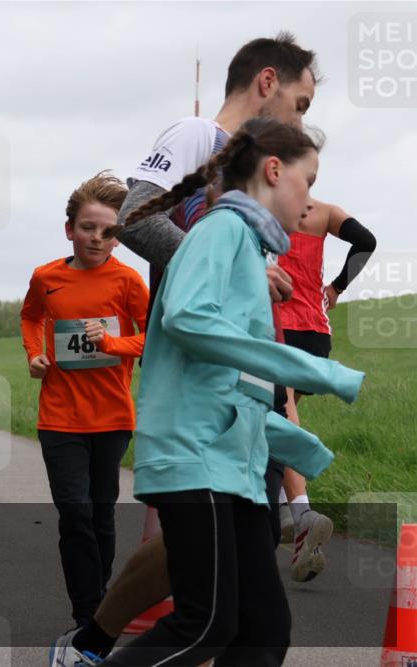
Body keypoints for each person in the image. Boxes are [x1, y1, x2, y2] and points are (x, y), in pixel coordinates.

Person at [61, 33, 326, 663]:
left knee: (245, 603)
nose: (300, 120)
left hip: (237, 395)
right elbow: (134, 216)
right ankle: (91, 642)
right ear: (267, 82)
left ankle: (94, 642)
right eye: (301, 102)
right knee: (214, 611)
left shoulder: (255, 174)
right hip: (196, 398)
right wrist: (230, 265)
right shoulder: (197, 135)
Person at [96, 118, 365, 667]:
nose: (310, 205)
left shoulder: (250, 248)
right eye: (307, 183)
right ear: (273, 171)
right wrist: (319, 373)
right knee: (206, 626)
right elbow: (190, 319)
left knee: (263, 628)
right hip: (198, 461)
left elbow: (231, 384)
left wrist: (297, 445)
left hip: (234, 468)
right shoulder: (222, 232)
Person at [21, 172, 149, 641]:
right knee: (74, 513)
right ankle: (87, 614)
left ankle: (102, 605)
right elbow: (31, 316)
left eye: (109, 231)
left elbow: (152, 336)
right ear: (69, 228)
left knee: (101, 514)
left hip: (112, 418)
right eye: (88, 228)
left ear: (119, 236)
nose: (97, 238)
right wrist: (33, 353)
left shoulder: (129, 280)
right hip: (59, 418)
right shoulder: (46, 277)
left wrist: (112, 343)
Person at [275, 199, 377, 580]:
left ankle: (301, 514)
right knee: (281, 415)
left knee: (280, 414)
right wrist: (335, 288)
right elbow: (366, 240)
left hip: (277, 324)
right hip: (315, 329)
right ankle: (282, 512)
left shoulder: (266, 207)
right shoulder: (324, 211)